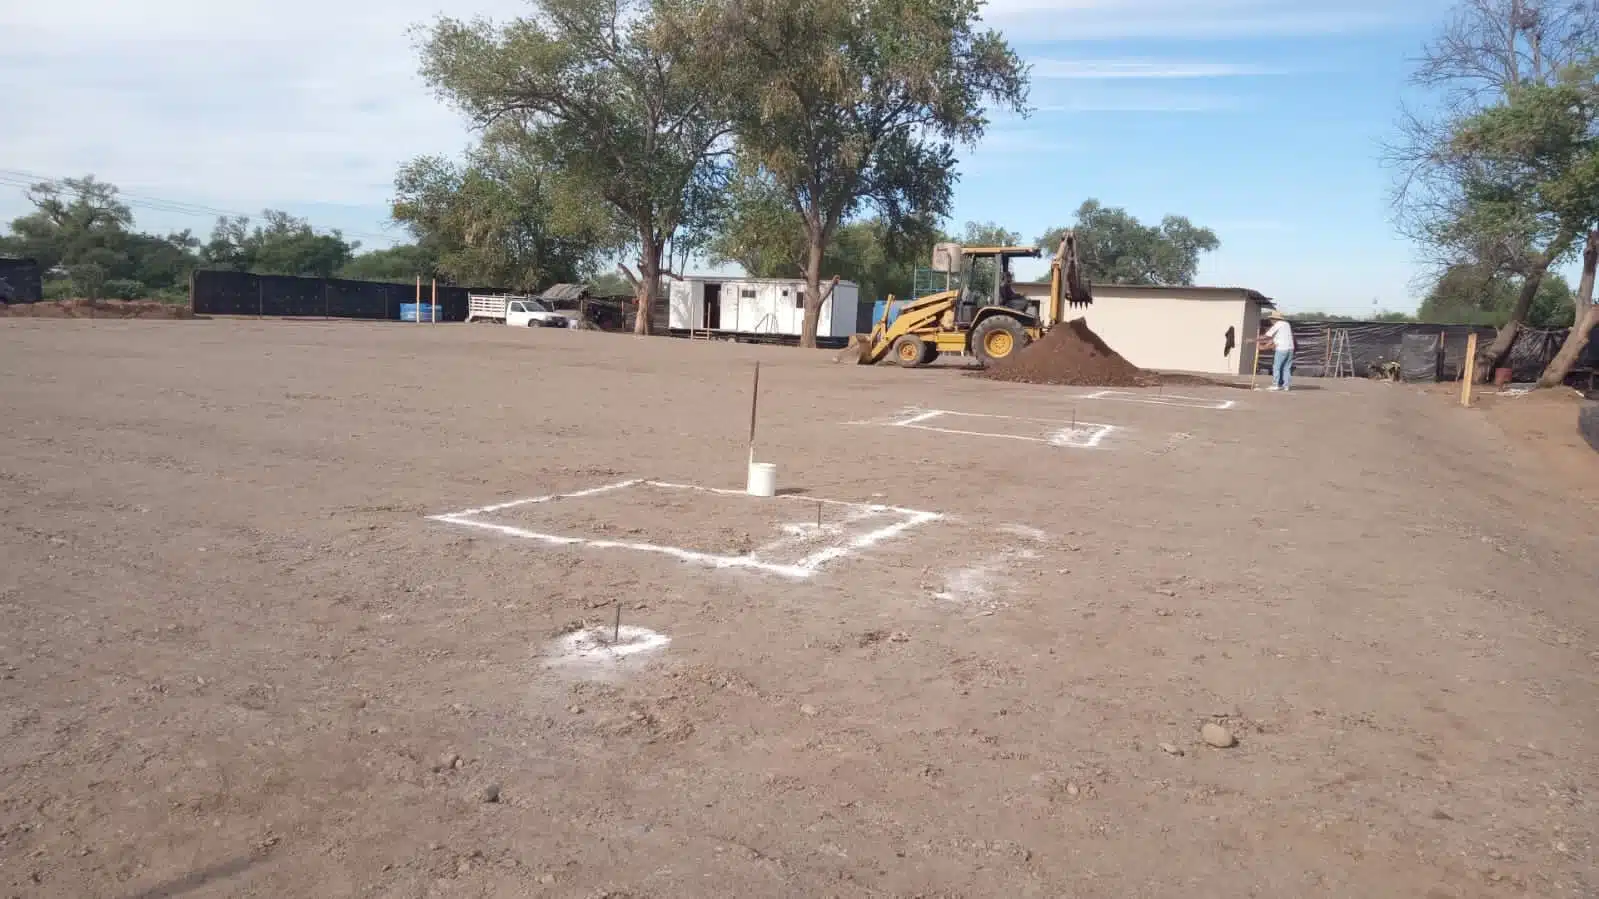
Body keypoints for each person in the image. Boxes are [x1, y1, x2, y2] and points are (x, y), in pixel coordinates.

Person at [1258, 310, 1295, 391]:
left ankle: (1275, 385)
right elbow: (1273, 340)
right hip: (1290, 349)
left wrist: (1255, 340)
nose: (1271, 320)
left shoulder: (1277, 324)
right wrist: (1263, 346)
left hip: (1282, 349)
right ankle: (1286, 386)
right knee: (1286, 368)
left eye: (1271, 319)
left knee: (1276, 367)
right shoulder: (1286, 324)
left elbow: (1266, 336)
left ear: (1275, 319)